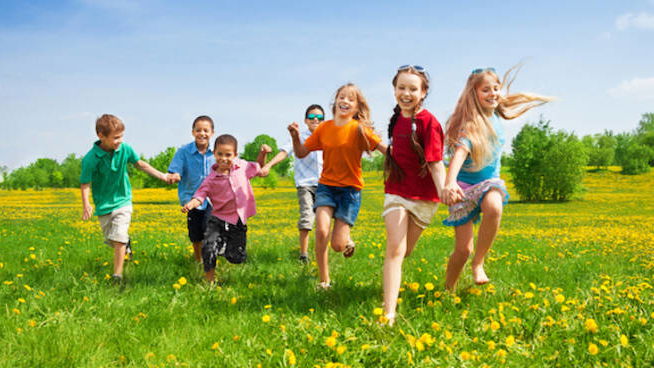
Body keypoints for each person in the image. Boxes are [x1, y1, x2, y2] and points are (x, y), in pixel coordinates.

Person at [442, 66, 551, 290]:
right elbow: (460, 153)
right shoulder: (470, 124)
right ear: (474, 94)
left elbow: (506, 101)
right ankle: (448, 290)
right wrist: (450, 182)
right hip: (462, 188)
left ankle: (478, 264)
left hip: (488, 183)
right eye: (485, 90)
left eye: (496, 88)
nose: (493, 93)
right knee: (463, 250)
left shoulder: (497, 114)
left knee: (494, 206)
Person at [288, 83, 387, 289]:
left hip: (350, 192)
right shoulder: (324, 128)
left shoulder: (360, 130)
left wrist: (410, 160)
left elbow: (384, 149)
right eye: (342, 97)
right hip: (326, 187)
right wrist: (295, 136)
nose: (345, 101)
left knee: (337, 245)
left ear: (357, 107)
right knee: (322, 230)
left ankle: (347, 241)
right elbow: (301, 153)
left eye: (351, 99)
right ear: (336, 101)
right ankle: (324, 281)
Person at [381, 65, 449, 325]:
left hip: (424, 197)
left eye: (412, 89)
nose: (406, 93)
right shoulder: (396, 119)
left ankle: (391, 285)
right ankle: (388, 314)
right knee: (395, 249)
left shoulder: (429, 122)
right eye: (401, 88)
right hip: (397, 192)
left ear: (423, 93)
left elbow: (434, 162)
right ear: (395, 89)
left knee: (405, 251)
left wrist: (443, 190)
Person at [80, 114, 178, 283]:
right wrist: (86, 204)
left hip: (123, 201)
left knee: (118, 238)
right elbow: (85, 183)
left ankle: (117, 276)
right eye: (115, 137)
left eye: (121, 136)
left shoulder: (125, 149)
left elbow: (140, 164)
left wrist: (162, 176)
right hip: (103, 204)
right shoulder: (91, 159)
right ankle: (127, 245)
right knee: (112, 238)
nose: (120, 141)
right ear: (101, 136)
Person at [182, 134, 273, 282]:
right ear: (214, 153)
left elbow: (259, 168)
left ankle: (224, 248)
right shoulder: (211, 178)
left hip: (237, 220)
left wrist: (262, 154)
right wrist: (191, 204)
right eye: (220, 154)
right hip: (217, 218)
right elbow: (200, 195)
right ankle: (209, 281)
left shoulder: (242, 167)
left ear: (235, 155)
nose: (223, 158)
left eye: (228, 155)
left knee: (236, 257)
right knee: (208, 247)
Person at [265, 104, 324, 264]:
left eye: (320, 117)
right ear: (306, 120)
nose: (316, 120)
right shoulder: (299, 136)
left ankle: (321, 252)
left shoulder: (327, 136)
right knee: (306, 216)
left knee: (323, 220)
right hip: (305, 184)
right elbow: (284, 152)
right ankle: (304, 255)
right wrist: (269, 165)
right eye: (312, 117)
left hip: (325, 185)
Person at [168, 115, 216, 263]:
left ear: (212, 133)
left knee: (209, 229)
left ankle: (210, 258)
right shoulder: (183, 152)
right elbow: (175, 170)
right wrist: (175, 175)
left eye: (206, 130)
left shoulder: (216, 153)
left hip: (212, 200)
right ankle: (198, 259)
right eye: (198, 130)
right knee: (195, 233)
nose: (202, 133)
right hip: (190, 199)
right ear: (193, 132)